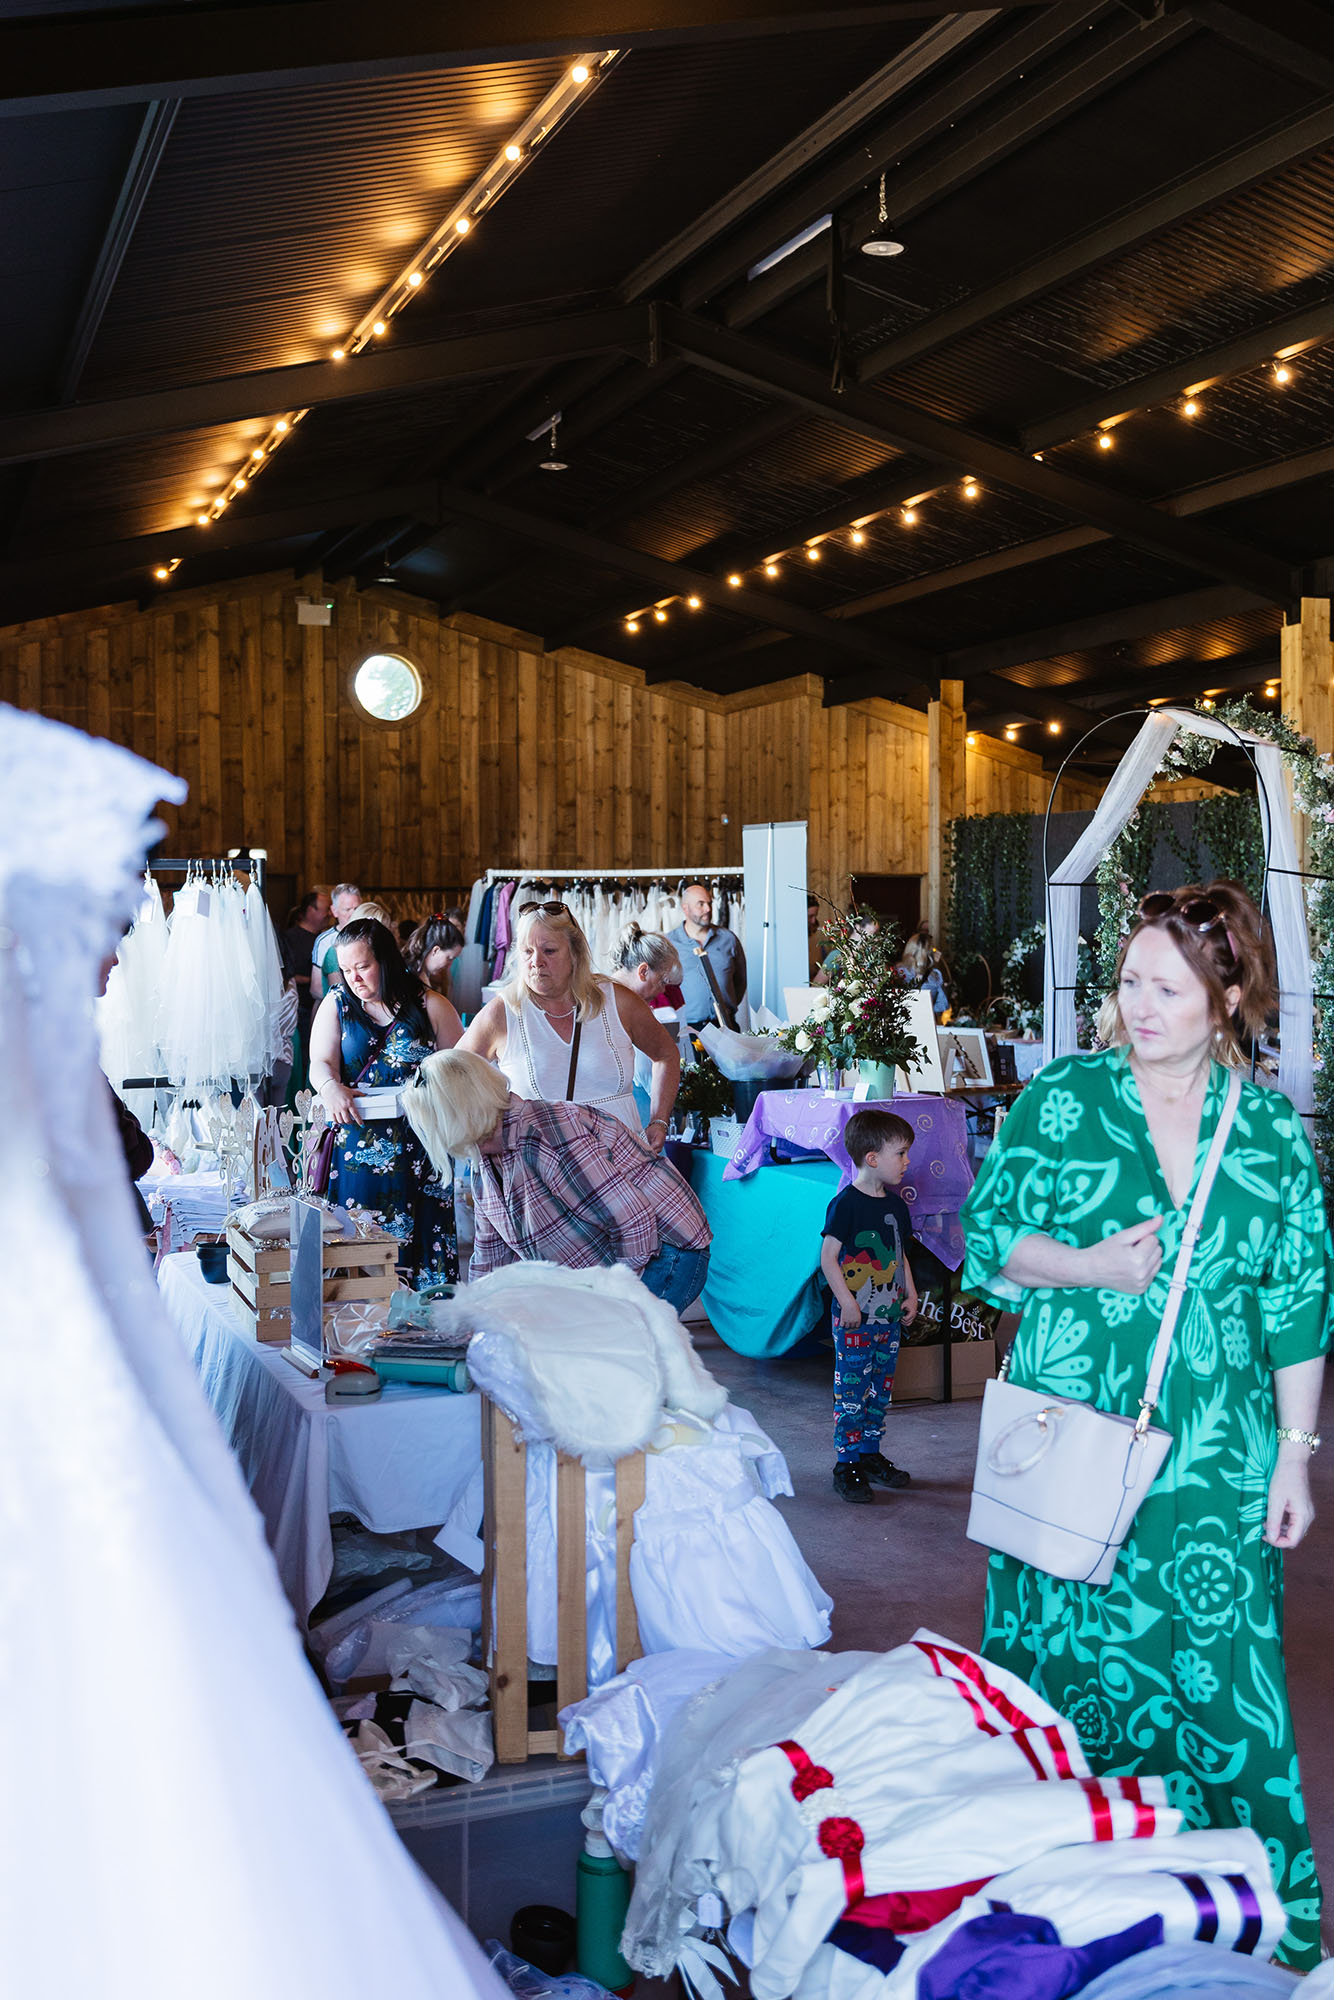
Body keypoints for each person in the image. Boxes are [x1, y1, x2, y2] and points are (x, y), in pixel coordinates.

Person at [959, 880, 1332, 1970]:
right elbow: (986, 1239)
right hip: (1071, 1435)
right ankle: (1052, 1904)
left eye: (1166, 985)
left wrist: (1295, 1457)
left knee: (1220, 1669)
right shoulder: (1061, 1099)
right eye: (1127, 981)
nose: (1138, 1003)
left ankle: (1246, 1909)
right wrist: (1085, 1266)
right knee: (1061, 1658)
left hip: (1215, 1451)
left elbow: (1296, 1304)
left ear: (1225, 998)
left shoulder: (1262, 1128)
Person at [402, 1049, 711, 1311]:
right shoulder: (484, 1159)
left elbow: (634, 1220)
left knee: (614, 1354)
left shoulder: (546, 1136)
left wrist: (611, 1302)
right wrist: (474, 1313)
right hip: (613, 1258)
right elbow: (490, 1258)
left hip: (668, 1249)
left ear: (456, 1115)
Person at [308, 917, 463, 1287]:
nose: (354, 979)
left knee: (423, 1250)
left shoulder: (430, 1005)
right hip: (356, 1149)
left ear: (386, 960)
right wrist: (330, 1088)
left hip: (422, 1152)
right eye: (346, 970)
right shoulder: (337, 1003)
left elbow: (463, 1072)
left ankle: (424, 1334)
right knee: (358, 1253)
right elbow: (320, 1064)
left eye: (362, 967)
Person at [459, 902, 679, 1148]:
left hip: (622, 1167)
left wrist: (659, 1120)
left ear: (575, 954)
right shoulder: (501, 1014)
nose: (536, 961)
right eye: (526, 951)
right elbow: (449, 1076)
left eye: (549, 951)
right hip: (543, 1173)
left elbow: (666, 1054)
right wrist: (486, 1137)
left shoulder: (619, 1001)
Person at [819, 1109, 918, 1504]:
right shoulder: (846, 1204)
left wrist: (909, 1293)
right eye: (901, 1153)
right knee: (852, 1391)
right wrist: (847, 1303)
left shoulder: (896, 1207)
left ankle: (870, 1455)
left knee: (880, 1390)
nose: (907, 1162)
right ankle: (846, 1464)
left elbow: (899, 1254)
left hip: (888, 1317)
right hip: (855, 1319)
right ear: (872, 1158)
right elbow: (828, 1258)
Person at [608, 923, 685, 1131]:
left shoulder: (598, 993)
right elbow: (654, 1064)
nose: (662, 992)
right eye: (661, 982)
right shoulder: (629, 1005)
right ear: (643, 971)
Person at [667, 882, 746, 1029]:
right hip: (687, 1029)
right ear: (685, 908)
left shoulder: (729, 939)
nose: (708, 909)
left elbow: (740, 982)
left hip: (727, 1026)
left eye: (709, 903)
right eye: (701, 904)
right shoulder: (669, 944)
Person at [310, 881, 363, 1003]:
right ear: (334, 911)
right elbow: (316, 989)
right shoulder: (325, 941)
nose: (353, 914)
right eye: (347, 909)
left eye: (356, 908)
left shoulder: (368, 936)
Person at [405, 913, 465, 997]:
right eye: (449, 958)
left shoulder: (420, 975)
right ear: (435, 950)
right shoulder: (409, 979)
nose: (450, 965)